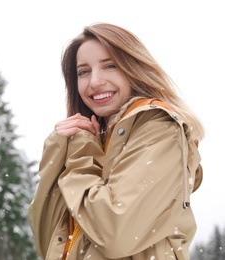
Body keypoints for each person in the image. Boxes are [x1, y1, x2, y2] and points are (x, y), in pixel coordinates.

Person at [28, 22, 204, 260]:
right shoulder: (87, 139)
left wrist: (81, 155)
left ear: (133, 68)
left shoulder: (160, 129)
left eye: (110, 66)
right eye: (83, 71)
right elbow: (48, 239)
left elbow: (114, 234)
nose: (94, 82)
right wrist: (58, 149)